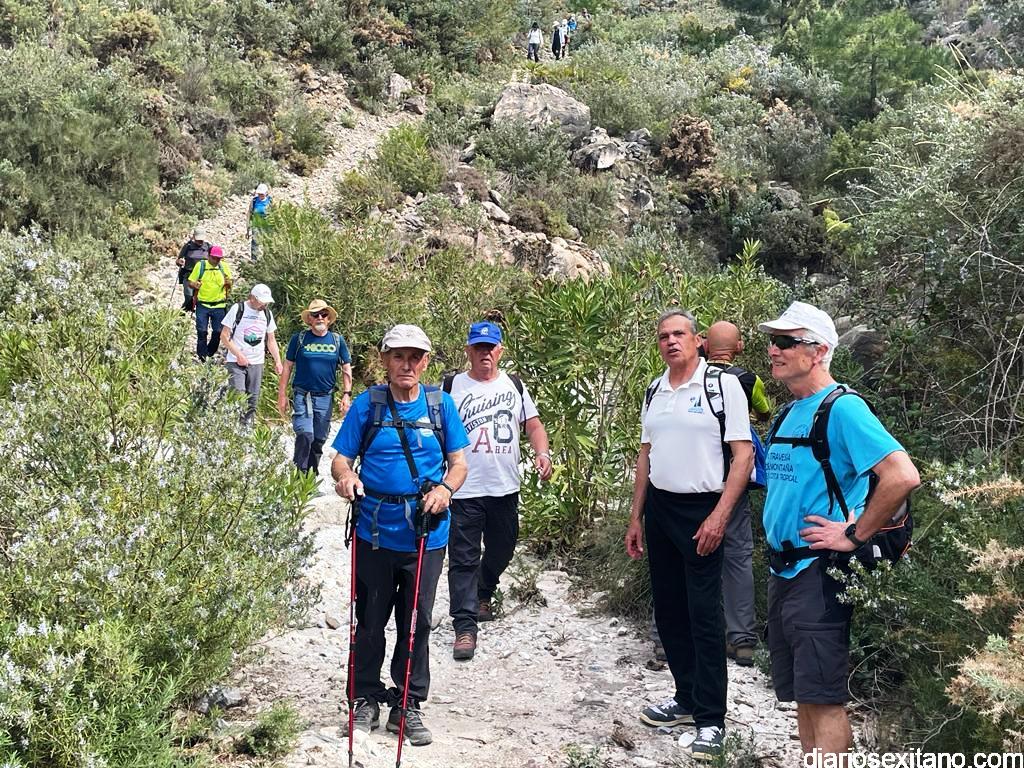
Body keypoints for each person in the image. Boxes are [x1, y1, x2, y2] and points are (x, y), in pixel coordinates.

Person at [758, 302, 919, 757]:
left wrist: (853, 535)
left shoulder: (844, 409)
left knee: (824, 698)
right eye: (773, 341)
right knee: (805, 695)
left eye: (786, 341)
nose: (774, 350)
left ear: (819, 351)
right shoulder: (791, 411)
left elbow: (902, 475)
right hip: (784, 571)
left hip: (819, 573)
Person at [331, 324, 470, 747]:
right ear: (385, 360)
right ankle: (365, 697)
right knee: (370, 617)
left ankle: (407, 703)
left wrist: (445, 491)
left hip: (426, 535)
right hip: (374, 531)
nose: (406, 364)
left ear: (425, 362)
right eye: (398, 356)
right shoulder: (367, 404)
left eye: (414, 357)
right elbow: (340, 459)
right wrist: (346, 478)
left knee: (417, 622)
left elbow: (459, 464)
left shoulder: (441, 405)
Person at [625, 309, 753, 761]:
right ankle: (685, 698)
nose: (671, 341)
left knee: (703, 615)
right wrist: (636, 517)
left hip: (703, 509)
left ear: (698, 340)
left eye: (679, 334)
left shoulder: (721, 386)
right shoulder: (654, 389)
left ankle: (711, 718)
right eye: (663, 336)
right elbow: (646, 455)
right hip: (661, 509)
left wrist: (719, 517)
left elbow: (743, 457)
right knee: (669, 610)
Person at [443, 321, 552, 661]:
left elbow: (533, 424)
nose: (485, 353)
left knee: (503, 548)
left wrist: (543, 453)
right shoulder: (451, 386)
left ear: (500, 351)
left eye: (490, 347)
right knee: (462, 558)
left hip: (504, 487)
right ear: (468, 351)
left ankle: (483, 589)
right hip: (463, 488)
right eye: (478, 347)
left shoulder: (514, 385)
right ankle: (464, 626)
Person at [705, 320, 772, 665]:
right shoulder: (748, 379)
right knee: (738, 557)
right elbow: (764, 411)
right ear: (740, 347)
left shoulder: (691, 377)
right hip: (733, 478)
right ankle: (742, 639)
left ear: (704, 345)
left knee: (685, 557)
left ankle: (670, 637)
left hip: (693, 483)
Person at [278, 299, 353, 475]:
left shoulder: (337, 340)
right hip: (302, 396)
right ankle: (299, 474)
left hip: (325, 397)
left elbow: (346, 367)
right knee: (305, 434)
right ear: (309, 319)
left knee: (319, 439)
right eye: (315, 314)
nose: (320, 317)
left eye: (323, 314)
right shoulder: (299, 339)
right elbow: (287, 366)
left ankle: (311, 475)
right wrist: (282, 395)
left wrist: (346, 394)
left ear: (328, 319)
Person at [220, 284, 283, 427]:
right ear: (252, 298)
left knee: (253, 398)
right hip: (235, 361)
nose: (264, 305)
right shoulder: (238, 309)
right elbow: (224, 336)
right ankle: (233, 426)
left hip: (257, 362)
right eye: (262, 301)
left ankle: (246, 428)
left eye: (266, 302)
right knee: (238, 394)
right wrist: (238, 355)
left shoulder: (267, 314)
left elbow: (271, 340)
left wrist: (278, 361)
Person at [187, 245, 232, 361]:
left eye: (218, 258)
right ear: (208, 256)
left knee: (218, 331)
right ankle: (202, 355)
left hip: (219, 305)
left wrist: (229, 283)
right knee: (202, 331)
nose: (216, 260)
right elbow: (190, 282)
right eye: (214, 258)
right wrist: (195, 285)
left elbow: (230, 283)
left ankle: (210, 352)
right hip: (203, 304)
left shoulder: (224, 267)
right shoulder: (201, 266)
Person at [176, 226, 210, 313]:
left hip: (203, 277)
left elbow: (214, 260)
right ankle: (182, 313)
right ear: (194, 237)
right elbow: (178, 260)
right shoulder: (188, 246)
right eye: (198, 239)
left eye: (201, 239)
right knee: (189, 297)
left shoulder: (208, 247)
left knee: (200, 298)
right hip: (189, 275)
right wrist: (179, 262)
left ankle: (194, 314)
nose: (200, 241)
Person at [247, 183, 272, 259]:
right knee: (255, 243)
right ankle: (254, 260)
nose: (260, 195)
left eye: (262, 194)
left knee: (267, 244)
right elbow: (249, 214)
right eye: (259, 194)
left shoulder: (270, 201)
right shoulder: (254, 201)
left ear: (266, 193)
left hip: (267, 226)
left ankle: (267, 260)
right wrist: (248, 228)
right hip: (256, 226)